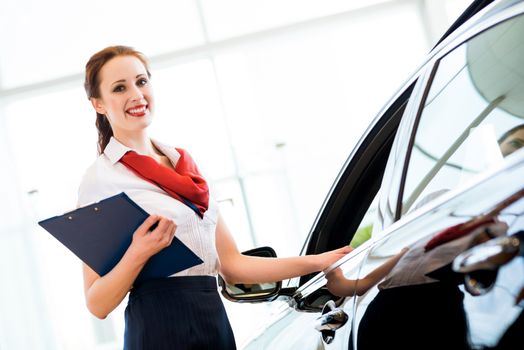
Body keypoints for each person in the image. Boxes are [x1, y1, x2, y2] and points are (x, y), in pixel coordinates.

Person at [79, 45, 352, 350]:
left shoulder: (187, 168)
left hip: (213, 319)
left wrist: (318, 261)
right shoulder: (101, 180)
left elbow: (233, 265)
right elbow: (97, 303)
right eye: (119, 88)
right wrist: (138, 253)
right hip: (158, 327)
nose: (136, 94)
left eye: (142, 81)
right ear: (99, 104)